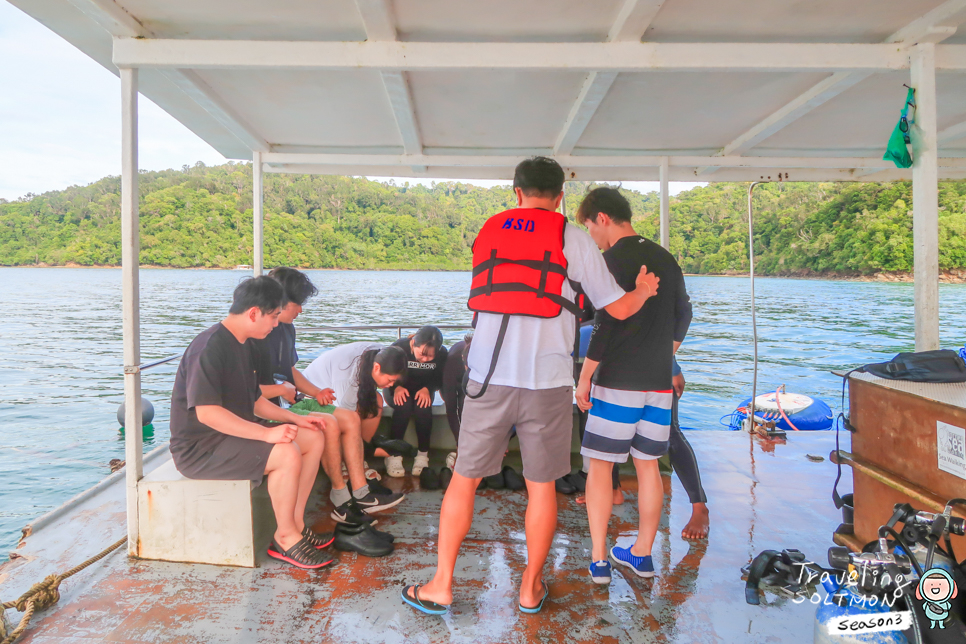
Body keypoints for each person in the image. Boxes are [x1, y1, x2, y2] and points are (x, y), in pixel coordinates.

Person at [401, 157, 659, 616]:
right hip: (547, 383)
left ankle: (441, 585)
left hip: (487, 377)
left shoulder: (490, 229)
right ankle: (529, 589)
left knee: (464, 481)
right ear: (561, 196)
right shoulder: (572, 237)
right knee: (541, 488)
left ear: (515, 192)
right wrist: (642, 290)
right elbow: (616, 309)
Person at [168, 276, 333, 569]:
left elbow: (255, 401)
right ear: (254, 313)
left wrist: (297, 419)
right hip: (201, 448)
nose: (275, 324)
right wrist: (266, 435)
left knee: (312, 437)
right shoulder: (208, 348)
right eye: (272, 317)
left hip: (232, 436)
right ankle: (285, 538)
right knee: (285, 452)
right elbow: (207, 413)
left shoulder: (243, 343)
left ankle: (295, 524)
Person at [574, 186, 691, 584]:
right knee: (648, 468)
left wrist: (585, 377)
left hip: (617, 384)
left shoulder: (607, 261)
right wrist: (664, 351)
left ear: (602, 218)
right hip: (657, 384)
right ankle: (641, 553)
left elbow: (605, 326)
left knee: (601, 468)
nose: (591, 235)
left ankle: (600, 560)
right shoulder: (665, 258)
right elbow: (684, 313)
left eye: (589, 226)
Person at [253, 268, 404, 527]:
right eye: (297, 304)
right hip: (271, 406)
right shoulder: (258, 333)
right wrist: (281, 391)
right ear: (278, 301)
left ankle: (361, 493)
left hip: (292, 399)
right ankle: (340, 497)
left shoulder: (287, 329)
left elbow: (289, 371)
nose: (300, 310)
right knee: (330, 423)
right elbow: (250, 388)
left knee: (350, 420)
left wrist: (316, 392)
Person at [302, 342, 408, 522]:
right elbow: (342, 425)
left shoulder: (382, 353)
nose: (391, 385)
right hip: (309, 396)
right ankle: (346, 489)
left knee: (376, 400)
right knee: (344, 422)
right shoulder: (347, 379)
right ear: (376, 368)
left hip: (334, 394)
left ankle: (360, 484)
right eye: (390, 381)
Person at [439, 331, 524, 491]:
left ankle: (491, 455)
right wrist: (461, 443)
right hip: (458, 385)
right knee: (466, 403)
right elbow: (451, 406)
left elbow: (512, 409)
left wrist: (502, 439)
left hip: (496, 391)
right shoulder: (454, 361)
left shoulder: (501, 366)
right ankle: (469, 453)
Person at [384, 326, 447, 477]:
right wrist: (397, 386)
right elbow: (385, 371)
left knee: (423, 407)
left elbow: (441, 378)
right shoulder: (399, 348)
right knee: (403, 405)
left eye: (430, 357)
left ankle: (422, 454)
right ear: (413, 343)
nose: (425, 359)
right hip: (396, 387)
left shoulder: (443, 353)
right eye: (422, 354)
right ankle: (393, 454)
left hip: (423, 390)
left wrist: (428, 388)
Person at [669, 359, 710, 539]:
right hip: (609, 360)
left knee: (670, 432)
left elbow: (661, 333)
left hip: (653, 361)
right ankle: (613, 490)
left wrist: (673, 368)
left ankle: (698, 505)